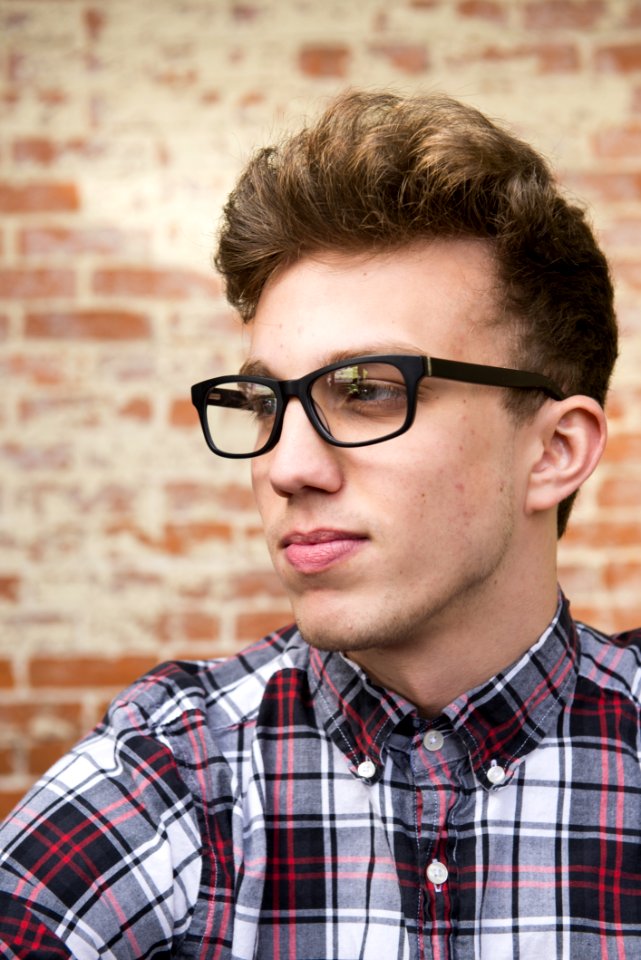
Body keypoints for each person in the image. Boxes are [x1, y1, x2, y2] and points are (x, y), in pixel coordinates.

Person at [0, 89, 638, 960]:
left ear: (554, 449)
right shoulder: (181, 767)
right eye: (265, 400)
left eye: (368, 391)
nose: (285, 465)